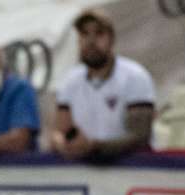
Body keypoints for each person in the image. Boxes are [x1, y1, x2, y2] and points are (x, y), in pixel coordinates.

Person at [49, 8, 155, 161]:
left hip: (129, 171)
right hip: (85, 172)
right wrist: (61, 143)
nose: (91, 41)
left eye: (99, 33)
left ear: (111, 39)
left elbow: (140, 137)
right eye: (84, 34)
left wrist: (94, 147)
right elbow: (59, 131)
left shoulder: (135, 77)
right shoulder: (70, 81)